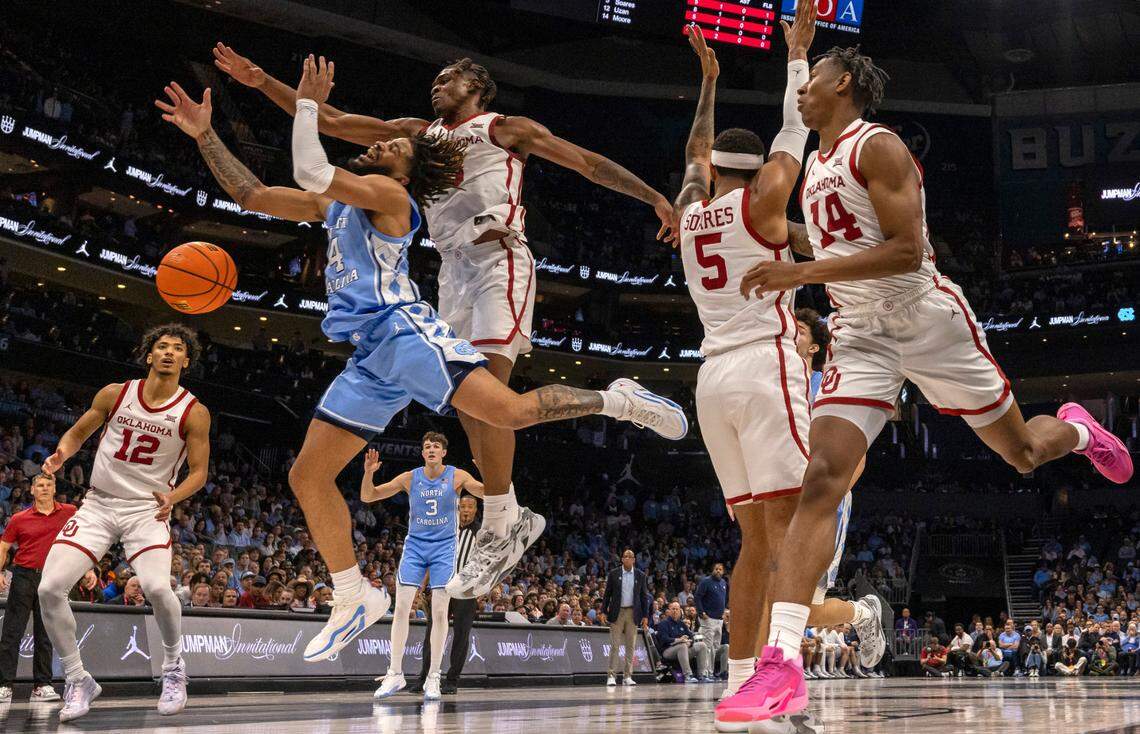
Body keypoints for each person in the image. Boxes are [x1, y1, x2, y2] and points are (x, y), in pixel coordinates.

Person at [159, 59, 687, 664]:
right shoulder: (397, 151)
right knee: (314, 472)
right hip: (411, 312)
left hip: (486, 268)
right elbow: (274, 172)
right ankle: (356, 593)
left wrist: (653, 197)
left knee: (502, 404)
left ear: (480, 89)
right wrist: (243, 101)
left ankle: (566, 450)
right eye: (434, 79)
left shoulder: (485, 137)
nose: (437, 84)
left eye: (452, 78)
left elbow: (586, 161)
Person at [732, 34, 1134, 728]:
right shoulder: (818, 159)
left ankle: (1074, 428)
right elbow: (822, 226)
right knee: (821, 477)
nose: (803, 89)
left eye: (814, 77)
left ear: (846, 89)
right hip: (858, 333)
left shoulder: (877, 145)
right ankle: (783, 661)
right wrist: (774, 236)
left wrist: (800, 271)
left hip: (923, 317)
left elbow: (905, 250)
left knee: (1023, 455)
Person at [37, 325, 210, 722]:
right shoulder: (116, 393)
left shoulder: (194, 411)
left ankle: (173, 668)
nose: (168, 352)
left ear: (187, 360)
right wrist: (61, 454)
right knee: (49, 589)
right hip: (98, 504)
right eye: (161, 347)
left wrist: (173, 497)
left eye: (177, 349)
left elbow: (199, 472)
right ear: (148, 356)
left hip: (147, 510)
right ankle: (78, 679)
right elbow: (79, 432)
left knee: (155, 587)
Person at [365, 432, 482, 702]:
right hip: (415, 547)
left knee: (439, 614)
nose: (431, 449)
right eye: (427, 446)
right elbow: (368, 495)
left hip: (444, 549)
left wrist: (486, 470)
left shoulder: (457, 475)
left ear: (443, 453)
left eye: (436, 446)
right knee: (402, 609)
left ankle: (434, 677)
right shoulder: (410, 477)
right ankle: (394, 673)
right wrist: (369, 473)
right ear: (422, 453)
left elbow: (488, 492)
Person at [0, 473, 74, 702]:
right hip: (23, 576)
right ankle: (4, 686)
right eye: (39, 485)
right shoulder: (19, 518)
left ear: (54, 489)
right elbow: (3, 547)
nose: (43, 488)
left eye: (48, 485)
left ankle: (42, 685)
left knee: (46, 633)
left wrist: (89, 569)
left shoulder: (70, 512)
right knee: (12, 632)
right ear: (32, 490)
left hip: (53, 578)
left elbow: (82, 540)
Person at [409, 493, 480, 695]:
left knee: (461, 634)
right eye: (462, 506)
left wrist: (482, 589)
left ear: (475, 510)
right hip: (441, 586)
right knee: (432, 632)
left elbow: (487, 564)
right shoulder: (446, 529)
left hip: (466, 590)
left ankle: (452, 680)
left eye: (469, 506)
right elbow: (432, 558)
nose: (465, 510)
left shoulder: (481, 532)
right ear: (457, 508)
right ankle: (425, 677)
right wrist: (422, 584)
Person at [601, 548, 652, 687]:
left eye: (631, 556)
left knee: (631, 646)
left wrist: (646, 616)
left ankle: (627, 676)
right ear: (622, 559)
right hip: (617, 612)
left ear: (634, 560)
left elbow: (644, 597)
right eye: (625, 556)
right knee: (615, 645)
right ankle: (611, 675)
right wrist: (603, 611)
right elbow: (607, 594)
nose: (628, 558)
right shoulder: (614, 573)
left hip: (633, 613)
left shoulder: (640, 575)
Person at [655, 601, 712, 684]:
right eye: (673, 609)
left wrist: (690, 642)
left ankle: (702, 675)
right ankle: (688, 675)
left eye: (677, 609)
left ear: (679, 611)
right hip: (668, 651)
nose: (675, 611)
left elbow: (691, 636)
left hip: (684, 649)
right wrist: (679, 640)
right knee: (682, 645)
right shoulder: (663, 623)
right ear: (669, 610)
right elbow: (664, 639)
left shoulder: (681, 624)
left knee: (702, 645)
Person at [694, 564, 728, 657]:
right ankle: (706, 670)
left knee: (716, 646)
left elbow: (724, 599)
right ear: (713, 570)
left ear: (723, 572)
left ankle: (712, 670)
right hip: (708, 618)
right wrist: (701, 612)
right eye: (716, 569)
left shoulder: (723, 583)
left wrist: (724, 611)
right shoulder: (706, 581)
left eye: (720, 569)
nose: (718, 571)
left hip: (719, 620)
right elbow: (697, 597)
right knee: (708, 646)